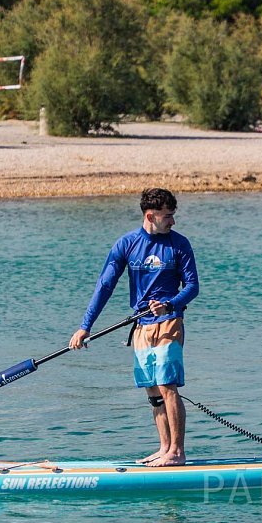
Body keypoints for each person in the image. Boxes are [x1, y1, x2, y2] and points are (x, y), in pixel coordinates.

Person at [69, 188, 199, 467]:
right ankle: (164, 448)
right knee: (152, 390)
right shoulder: (126, 244)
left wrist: (170, 304)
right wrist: (85, 326)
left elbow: (192, 287)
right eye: (167, 216)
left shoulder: (179, 245)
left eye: (173, 216)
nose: (172, 222)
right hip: (140, 325)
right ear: (150, 216)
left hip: (169, 322)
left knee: (167, 385)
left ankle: (177, 451)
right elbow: (104, 286)